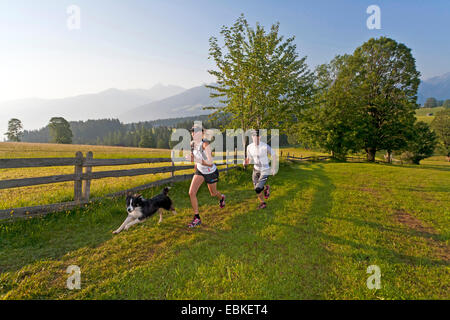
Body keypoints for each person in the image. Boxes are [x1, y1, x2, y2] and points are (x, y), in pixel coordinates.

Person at [185, 123, 225, 228]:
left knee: (213, 193)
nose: (193, 133)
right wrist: (194, 162)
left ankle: (221, 198)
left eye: (196, 131)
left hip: (210, 172)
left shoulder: (205, 144)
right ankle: (197, 217)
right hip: (200, 171)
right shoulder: (192, 144)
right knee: (191, 192)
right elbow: (195, 156)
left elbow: (210, 162)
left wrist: (195, 160)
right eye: (192, 131)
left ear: (202, 133)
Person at [244, 129, 277, 209]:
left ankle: (263, 203)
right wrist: (246, 162)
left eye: (257, 136)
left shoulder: (265, 146)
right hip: (255, 170)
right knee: (256, 188)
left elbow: (274, 155)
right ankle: (266, 188)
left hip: (265, 170)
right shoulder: (249, 147)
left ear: (260, 137)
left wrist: (273, 168)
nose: (255, 138)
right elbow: (249, 158)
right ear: (252, 137)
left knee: (258, 189)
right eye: (254, 136)